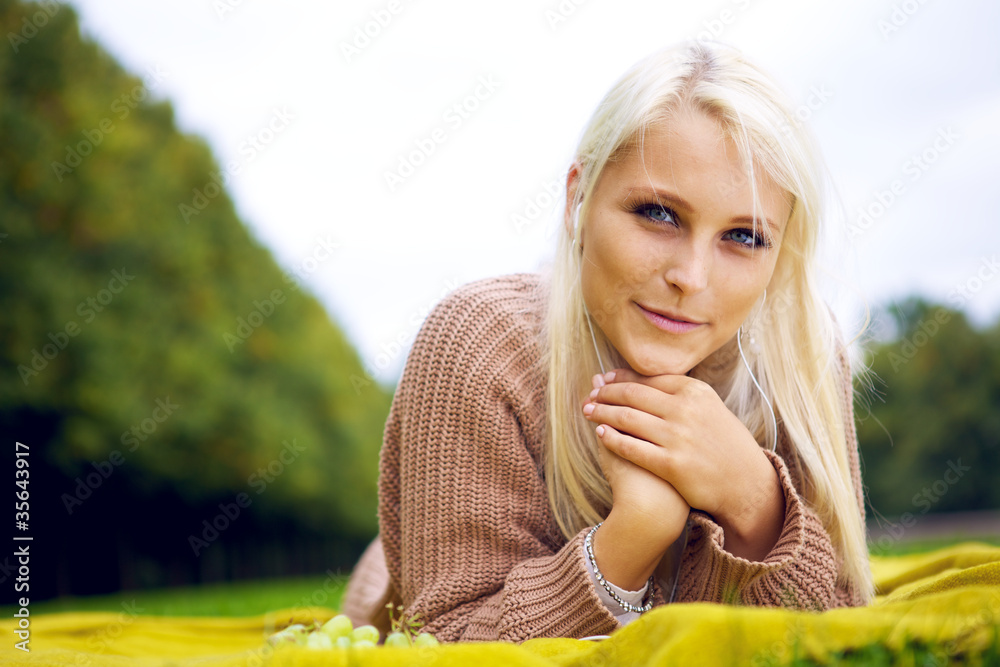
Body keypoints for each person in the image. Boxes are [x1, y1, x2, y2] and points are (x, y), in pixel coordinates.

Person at [340, 40, 873, 643]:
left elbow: (844, 624)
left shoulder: (800, 357)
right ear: (578, 199)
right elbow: (453, 636)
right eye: (658, 213)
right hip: (406, 565)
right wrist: (633, 538)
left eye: (744, 237)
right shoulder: (481, 340)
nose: (690, 278)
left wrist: (754, 503)